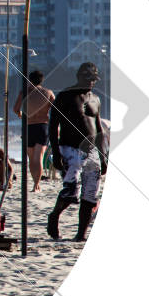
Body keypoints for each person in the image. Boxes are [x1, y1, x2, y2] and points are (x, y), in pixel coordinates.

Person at [47, 62, 108, 241]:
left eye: (93, 80)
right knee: (71, 191)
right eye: (87, 79)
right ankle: (55, 216)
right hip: (69, 148)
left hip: (91, 152)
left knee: (90, 194)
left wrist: (103, 157)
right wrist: (57, 153)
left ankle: (81, 234)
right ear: (79, 77)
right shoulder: (64, 96)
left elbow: (99, 130)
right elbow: (53, 126)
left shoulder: (95, 99)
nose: (91, 83)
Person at [14, 70, 55, 192]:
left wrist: (21, 114)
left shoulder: (24, 92)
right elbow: (56, 110)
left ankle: (35, 182)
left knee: (31, 158)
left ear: (29, 80)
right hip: (42, 126)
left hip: (28, 127)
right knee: (39, 157)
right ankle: (36, 184)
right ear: (42, 80)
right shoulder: (48, 93)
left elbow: (16, 109)